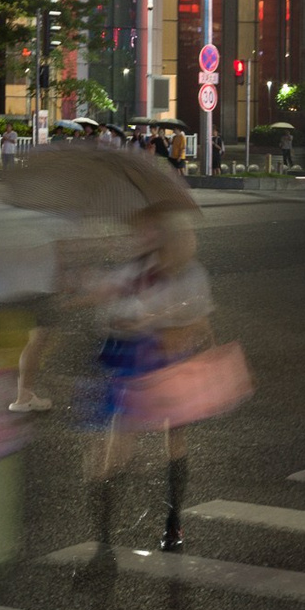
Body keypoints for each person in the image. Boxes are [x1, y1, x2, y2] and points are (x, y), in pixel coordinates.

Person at [74, 214, 215, 570]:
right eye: (134, 230)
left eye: (144, 230)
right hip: (130, 360)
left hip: (167, 361)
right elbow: (104, 306)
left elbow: (198, 322)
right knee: (112, 452)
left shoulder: (189, 272)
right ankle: (103, 547)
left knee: (174, 437)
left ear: (163, 235)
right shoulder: (134, 270)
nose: (136, 236)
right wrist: (94, 300)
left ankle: (173, 522)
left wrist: (157, 321)